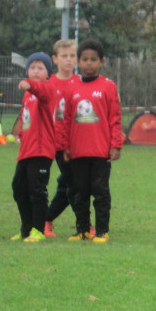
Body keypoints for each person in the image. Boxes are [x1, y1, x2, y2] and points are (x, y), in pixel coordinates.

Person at [59, 38, 122, 243]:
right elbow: (66, 120)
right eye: (84, 59)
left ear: (101, 62)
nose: (89, 63)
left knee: (100, 192)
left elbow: (115, 118)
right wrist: (65, 146)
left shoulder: (108, 86)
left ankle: (102, 231)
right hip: (78, 152)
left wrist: (115, 145)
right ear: (78, 62)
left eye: (93, 59)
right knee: (79, 193)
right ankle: (83, 230)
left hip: (101, 152)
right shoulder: (71, 87)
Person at [14, 52, 58, 243]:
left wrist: (30, 85)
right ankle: (26, 229)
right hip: (26, 151)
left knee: (37, 190)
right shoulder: (27, 95)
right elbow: (26, 121)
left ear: (48, 73)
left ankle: (38, 230)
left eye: (40, 68)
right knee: (18, 188)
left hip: (41, 151)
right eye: (32, 67)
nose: (36, 71)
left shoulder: (47, 89)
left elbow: (41, 91)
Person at [44, 39, 83, 238]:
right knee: (74, 184)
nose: (69, 60)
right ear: (55, 59)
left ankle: (46, 219)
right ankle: (84, 225)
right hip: (58, 144)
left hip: (80, 144)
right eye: (64, 56)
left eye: (72, 56)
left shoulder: (81, 83)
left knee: (68, 185)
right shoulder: (48, 84)